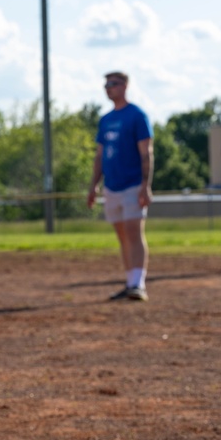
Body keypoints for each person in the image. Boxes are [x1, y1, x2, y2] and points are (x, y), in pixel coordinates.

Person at [87, 71, 154, 302]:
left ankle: (138, 284)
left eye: (113, 84)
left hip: (132, 184)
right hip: (111, 187)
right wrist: (93, 186)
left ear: (125, 86)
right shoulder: (105, 120)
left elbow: (146, 153)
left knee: (134, 233)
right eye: (106, 84)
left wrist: (146, 185)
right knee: (122, 236)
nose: (108, 88)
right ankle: (130, 283)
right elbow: (100, 156)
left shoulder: (137, 115)